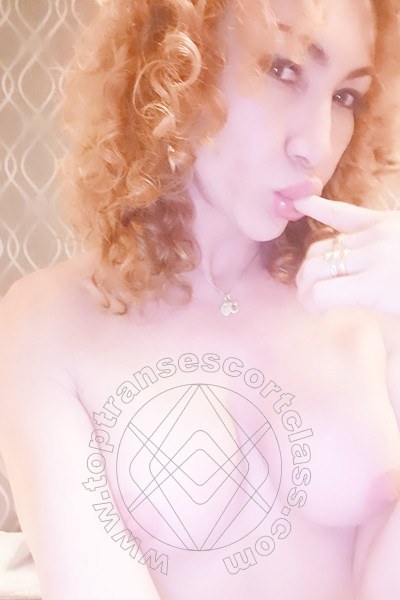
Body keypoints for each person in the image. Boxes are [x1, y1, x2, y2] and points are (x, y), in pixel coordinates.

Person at [0, 0, 400, 598]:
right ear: (178, 64)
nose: (317, 145)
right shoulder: (44, 324)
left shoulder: (370, 305)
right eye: (284, 70)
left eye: (346, 97)